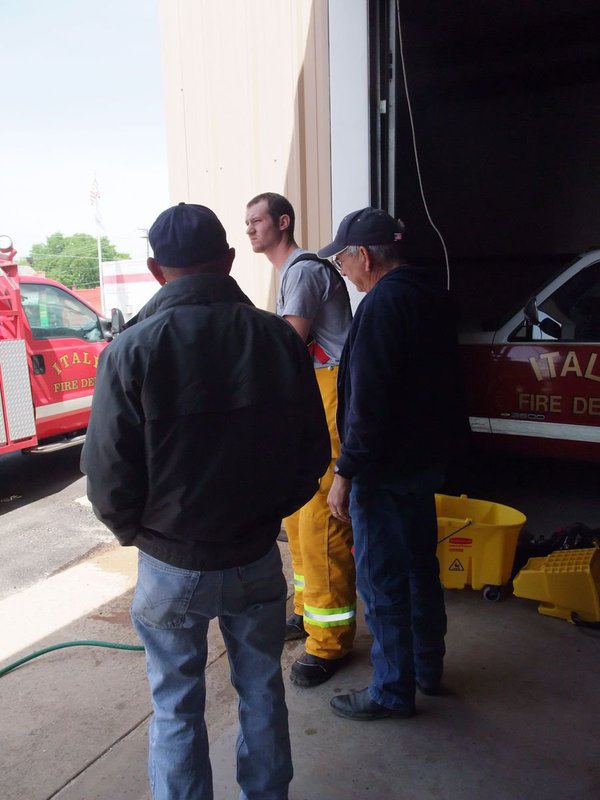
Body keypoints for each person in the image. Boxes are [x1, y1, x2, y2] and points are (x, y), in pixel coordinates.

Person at [81, 202, 330, 800]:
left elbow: (107, 475)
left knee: (175, 706)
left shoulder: (130, 350)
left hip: (171, 562)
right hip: (254, 558)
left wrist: (139, 534)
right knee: (263, 690)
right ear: (226, 259)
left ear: (154, 268)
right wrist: (268, 512)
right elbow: (311, 454)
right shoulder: (277, 339)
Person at [319, 207, 469, 721]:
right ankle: (427, 668)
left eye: (342, 261)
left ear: (363, 255)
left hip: (384, 468)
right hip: (423, 461)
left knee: (382, 579)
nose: (344, 272)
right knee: (418, 568)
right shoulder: (430, 294)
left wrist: (346, 472)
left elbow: (371, 401)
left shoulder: (382, 304)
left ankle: (391, 690)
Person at [245, 192, 356, 688]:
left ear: (282, 222)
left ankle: (329, 642)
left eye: (257, 221)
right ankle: (310, 610)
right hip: (312, 395)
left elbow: (289, 341)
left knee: (319, 519)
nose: (249, 229)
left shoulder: (305, 270)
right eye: (246, 223)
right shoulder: (289, 274)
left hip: (329, 394)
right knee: (296, 513)